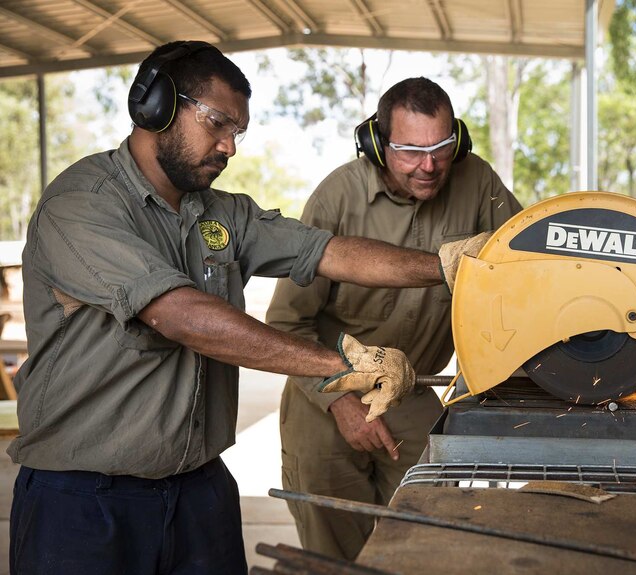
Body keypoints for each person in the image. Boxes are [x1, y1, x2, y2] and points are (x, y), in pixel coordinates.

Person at [7, 42, 482, 575]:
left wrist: (444, 265)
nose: (229, 146)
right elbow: (181, 315)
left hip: (199, 486)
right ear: (157, 106)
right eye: (218, 124)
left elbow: (328, 250)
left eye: (238, 132)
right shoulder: (82, 203)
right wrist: (344, 366)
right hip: (85, 499)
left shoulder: (223, 213)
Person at [266, 77, 522, 560]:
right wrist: (339, 404)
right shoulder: (336, 198)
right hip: (326, 396)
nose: (429, 165)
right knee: (335, 557)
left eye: (442, 147)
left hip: (413, 391)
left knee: (428, 548)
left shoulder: (479, 183)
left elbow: (522, 267)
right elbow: (285, 325)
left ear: (459, 139)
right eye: (409, 150)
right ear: (377, 145)